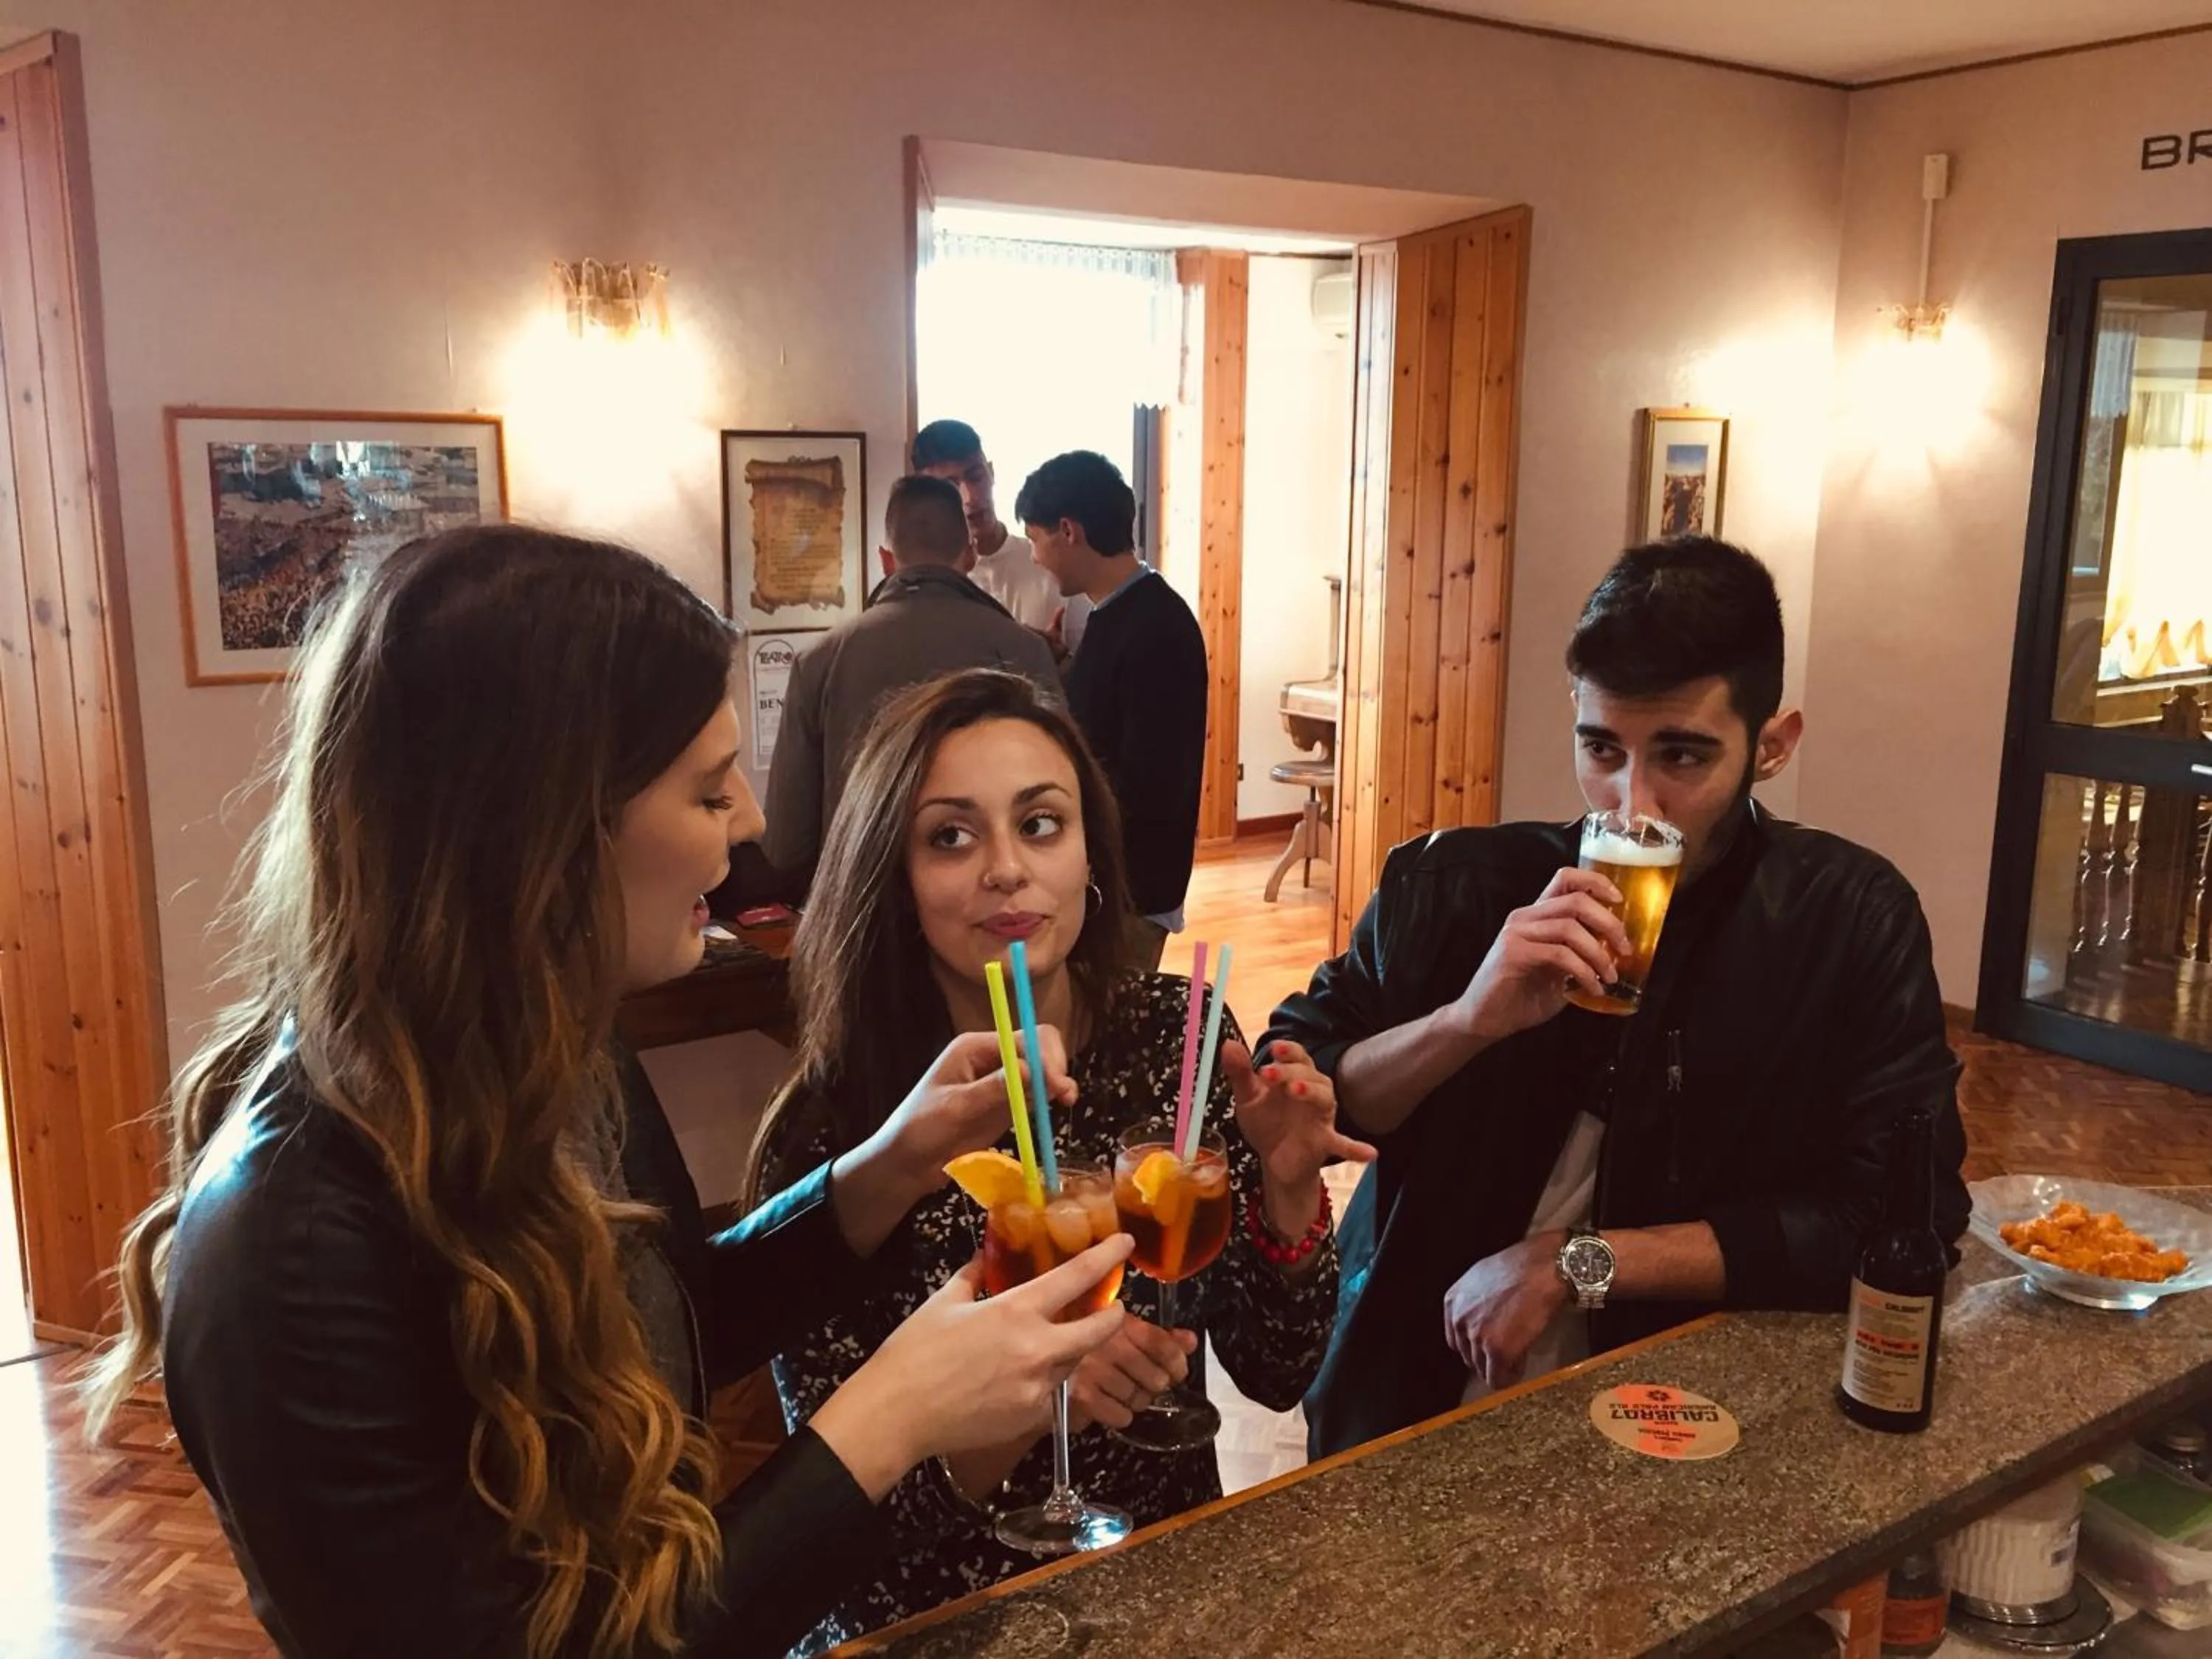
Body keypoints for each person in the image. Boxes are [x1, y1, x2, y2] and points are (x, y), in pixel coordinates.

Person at [83, 527, 1132, 1659]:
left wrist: (883, 1171)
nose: (752, 821)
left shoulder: (556, 1051)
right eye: (703, 785)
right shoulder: (290, 1245)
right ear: (544, 827)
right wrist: (890, 1417)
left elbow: (669, 1315)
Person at [1267, 536, 1970, 1458]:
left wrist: (1580, 1266)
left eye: (1682, 756)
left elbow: (1901, 1215)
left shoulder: (1847, 920)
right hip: (1415, 1387)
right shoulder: (1456, 886)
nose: (1631, 802)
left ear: (1774, 746)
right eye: (1601, 748)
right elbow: (1313, 1083)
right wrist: (1466, 1021)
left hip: (1681, 1410)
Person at [751, 668, 1370, 1654]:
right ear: (895, 874)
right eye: (950, 835)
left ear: (1089, 851)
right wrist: (1044, 1390)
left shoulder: (1183, 1036)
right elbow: (838, 1530)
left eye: (1041, 823)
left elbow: (1278, 1369)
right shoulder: (842, 1128)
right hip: (931, 1619)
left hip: (1156, 1585)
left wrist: (1291, 1199)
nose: (1006, 868)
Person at [762, 474, 1059, 889]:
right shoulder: (1024, 651)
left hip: (867, 926)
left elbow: (785, 847)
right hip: (992, 911)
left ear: (886, 559)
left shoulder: (820, 661)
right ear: (970, 554)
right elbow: (1057, 811)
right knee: (995, 962)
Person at [1018, 450, 1207, 973]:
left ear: (1068, 531)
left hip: (1131, 889)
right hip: (1110, 881)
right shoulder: (1115, 614)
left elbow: (1147, 780)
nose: (1034, 556)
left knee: (1113, 1040)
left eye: (1035, 539)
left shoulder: (1157, 626)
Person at [911, 418, 1088, 655]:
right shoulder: (928, 588)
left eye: (976, 477)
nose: (970, 497)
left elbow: (1092, 666)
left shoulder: (1052, 563)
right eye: (951, 486)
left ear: (991, 472)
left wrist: (1054, 660)